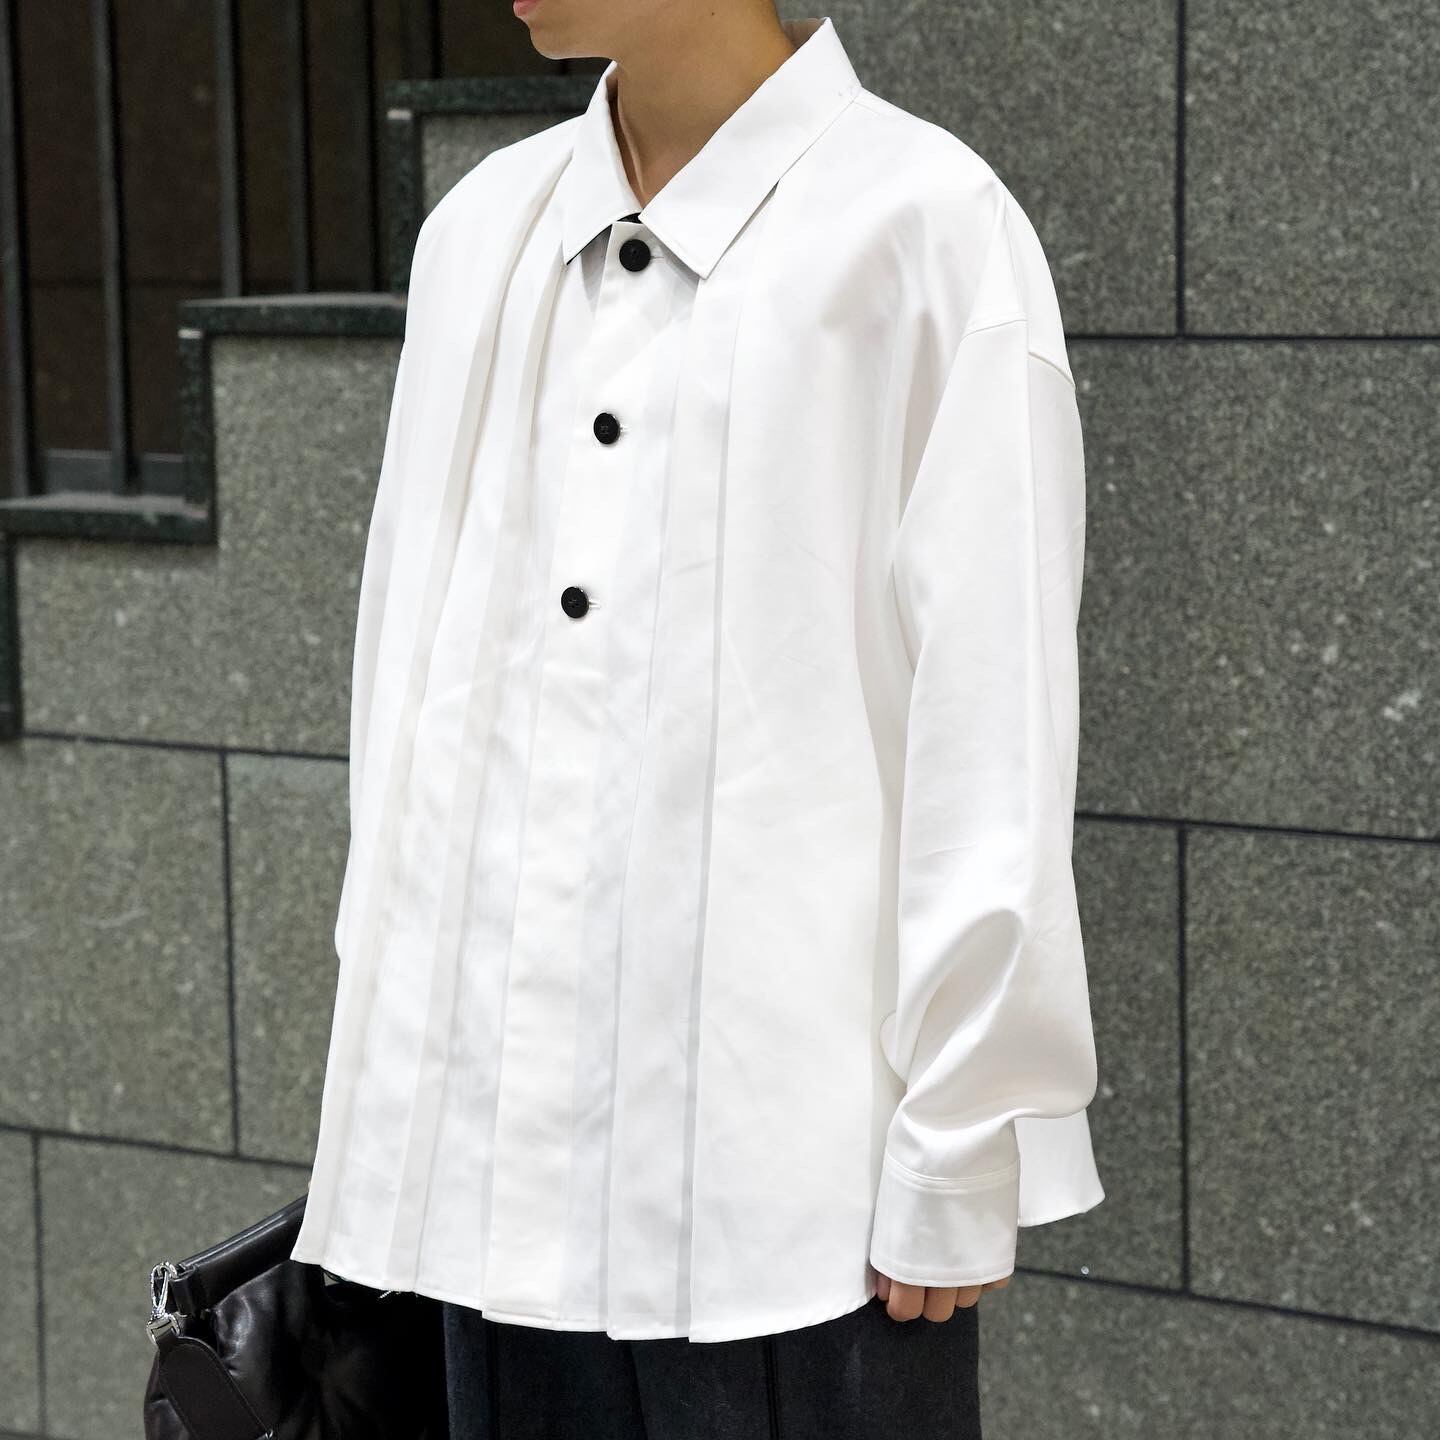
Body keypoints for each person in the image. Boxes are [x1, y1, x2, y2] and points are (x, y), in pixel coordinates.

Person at [290, 3, 1105, 1436]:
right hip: (490, 1177)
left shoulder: (926, 228)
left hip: (789, 1211)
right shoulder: (481, 234)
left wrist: (961, 1137)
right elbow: (405, 676)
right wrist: (391, 1088)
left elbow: (993, 717)